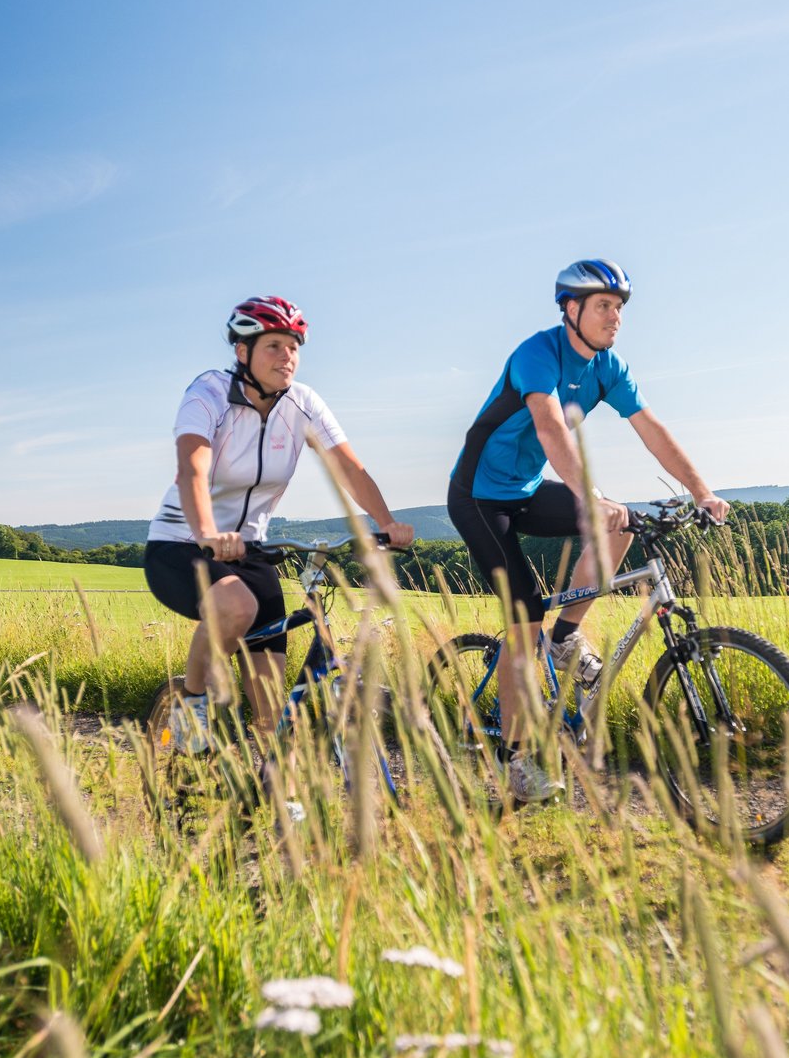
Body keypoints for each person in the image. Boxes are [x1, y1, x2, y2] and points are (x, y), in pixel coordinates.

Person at [446, 259, 729, 804]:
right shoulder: (538, 353)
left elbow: (652, 429)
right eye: (603, 305)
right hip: (478, 496)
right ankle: (516, 761)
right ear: (570, 309)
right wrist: (591, 497)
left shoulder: (609, 367)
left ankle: (567, 636)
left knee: (624, 526)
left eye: (619, 308)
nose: (614, 317)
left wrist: (701, 492)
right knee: (524, 613)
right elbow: (551, 428)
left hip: (525, 491)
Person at [145, 295, 414, 752]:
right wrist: (208, 533)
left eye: (293, 346)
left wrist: (386, 522)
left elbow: (348, 467)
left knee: (272, 707)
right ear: (242, 352)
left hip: (251, 550)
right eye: (273, 345)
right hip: (182, 544)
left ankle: (267, 791)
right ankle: (189, 706)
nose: (286, 356)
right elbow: (192, 468)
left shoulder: (303, 403)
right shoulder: (209, 393)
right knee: (236, 607)